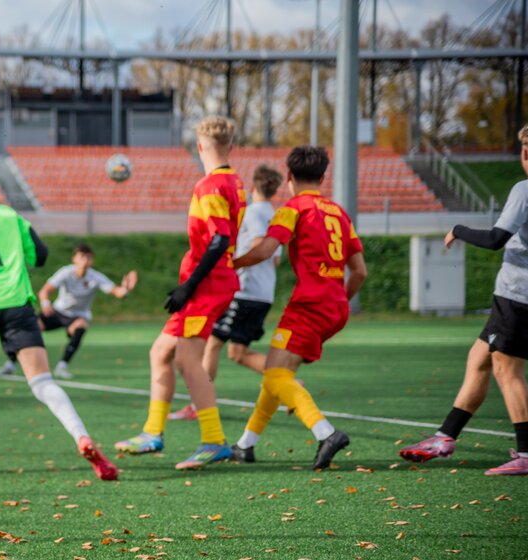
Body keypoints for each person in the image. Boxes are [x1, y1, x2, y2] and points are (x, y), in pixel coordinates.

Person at [398, 114, 528, 475]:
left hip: (520, 294)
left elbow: (497, 238)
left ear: (525, 153)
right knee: (479, 359)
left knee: (507, 370)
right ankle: (445, 437)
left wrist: (458, 229)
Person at [0, 156, 119, 481]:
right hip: (17, 304)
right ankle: (82, 437)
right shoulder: (8, 214)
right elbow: (40, 255)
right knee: (43, 382)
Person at [114, 116, 246, 471]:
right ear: (231, 147)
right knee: (160, 352)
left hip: (208, 286)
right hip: (211, 282)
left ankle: (214, 441)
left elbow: (219, 239)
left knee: (188, 362)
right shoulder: (235, 181)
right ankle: (152, 433)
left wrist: (189, 285)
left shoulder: (210, 185)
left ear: (200, 147)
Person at [229, 145, 366, 470]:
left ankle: (326, 433)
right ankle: (245, 445)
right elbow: (360, 271)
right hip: (336, 306)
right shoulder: (339, 213)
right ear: (323, 177)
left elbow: (265, 250)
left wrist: (231, 263)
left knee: (276, 374)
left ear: (289, 176)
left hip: (309, 304)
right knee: (277, 373)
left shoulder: (293, 208)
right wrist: (339, 301)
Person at [170, 164, 285, 431]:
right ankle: (286, 382)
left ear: (254, 187)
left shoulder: (254, 212)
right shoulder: (275, 214)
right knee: (237, 352)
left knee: (212, 345)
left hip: (245, 291)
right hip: (263, 292)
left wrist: (233, 264)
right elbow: (276, 258)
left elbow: (259, 245)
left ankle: (199, 405)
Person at [0, 243, 137, 379]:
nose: (85, 260)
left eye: (89, 257)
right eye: (82, 257)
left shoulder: (95, 277)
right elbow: (45, 291)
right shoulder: (66, 272)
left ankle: (62, 366)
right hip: (58, 312)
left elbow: (117, 292)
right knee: (31, 328)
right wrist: (46, 304)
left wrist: (126, 289)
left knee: (81, 326)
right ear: (74, 259)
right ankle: (10, 364)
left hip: (78, 316)